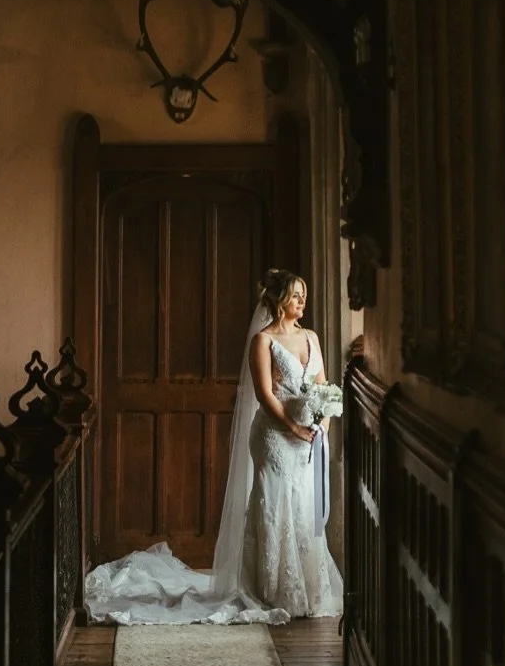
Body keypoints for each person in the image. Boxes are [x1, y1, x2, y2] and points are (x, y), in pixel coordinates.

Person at [83, 267, 344, 625]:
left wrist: (322, 425)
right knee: (275, 504)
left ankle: (309, 589)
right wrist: (294, 428)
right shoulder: (263, 341)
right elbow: (266, 395)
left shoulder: (311, 338)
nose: (303, 301)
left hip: (308, 441)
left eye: (304, 295)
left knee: (303, 506)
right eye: (296, 295)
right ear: (279, 299)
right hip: (274, 438)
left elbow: (324, 388)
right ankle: (270, 589)